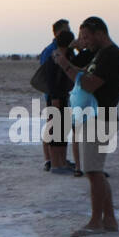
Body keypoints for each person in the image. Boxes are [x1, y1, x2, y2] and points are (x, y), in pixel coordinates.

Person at [54, 16, 119, 235]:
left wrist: (65, 65)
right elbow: (83, 70)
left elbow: (90, 84)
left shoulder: (110, 55)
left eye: (86, 36)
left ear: (99, 33)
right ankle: (109, 220)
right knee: (96, 171)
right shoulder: (101, 54)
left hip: (99, 117)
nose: (84, 41)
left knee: (93, 172)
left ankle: (95, 221)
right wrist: (71, 54)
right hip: (95, 116)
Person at [38, 19, 71, 169]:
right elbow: (48, 76)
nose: (70, 32)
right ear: (58, 33)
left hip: (64, 94)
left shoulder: (67, 50)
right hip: (53, 96)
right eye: (66, 30)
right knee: (52, 127)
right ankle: (49, 160)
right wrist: (54, 97)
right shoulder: (50, 51)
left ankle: (61, 160)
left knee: (62, 129)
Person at [46, 28, 76, 173]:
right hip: (57, 98)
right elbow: (53, 81)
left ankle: (61, 163)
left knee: (62, 132)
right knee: (56, 132)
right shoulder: (57, 58)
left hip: (62, 97)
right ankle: (56, 165)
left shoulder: (64, 57)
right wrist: (55, 99)